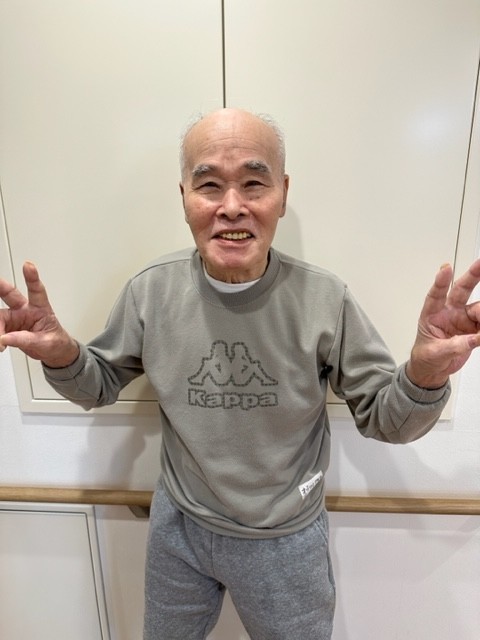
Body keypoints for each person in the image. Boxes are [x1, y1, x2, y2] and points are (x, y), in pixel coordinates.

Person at [1, 108, 479, 640]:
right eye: (209, 185)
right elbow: (97, 385)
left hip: (285, 540)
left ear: (283, 193)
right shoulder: (150, 291)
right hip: (179, 528)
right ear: (183, 196)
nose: (232, 207)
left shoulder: (325, 299)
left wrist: (424, 374)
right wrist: (61, 354)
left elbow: (386, 420)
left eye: (254, 183)